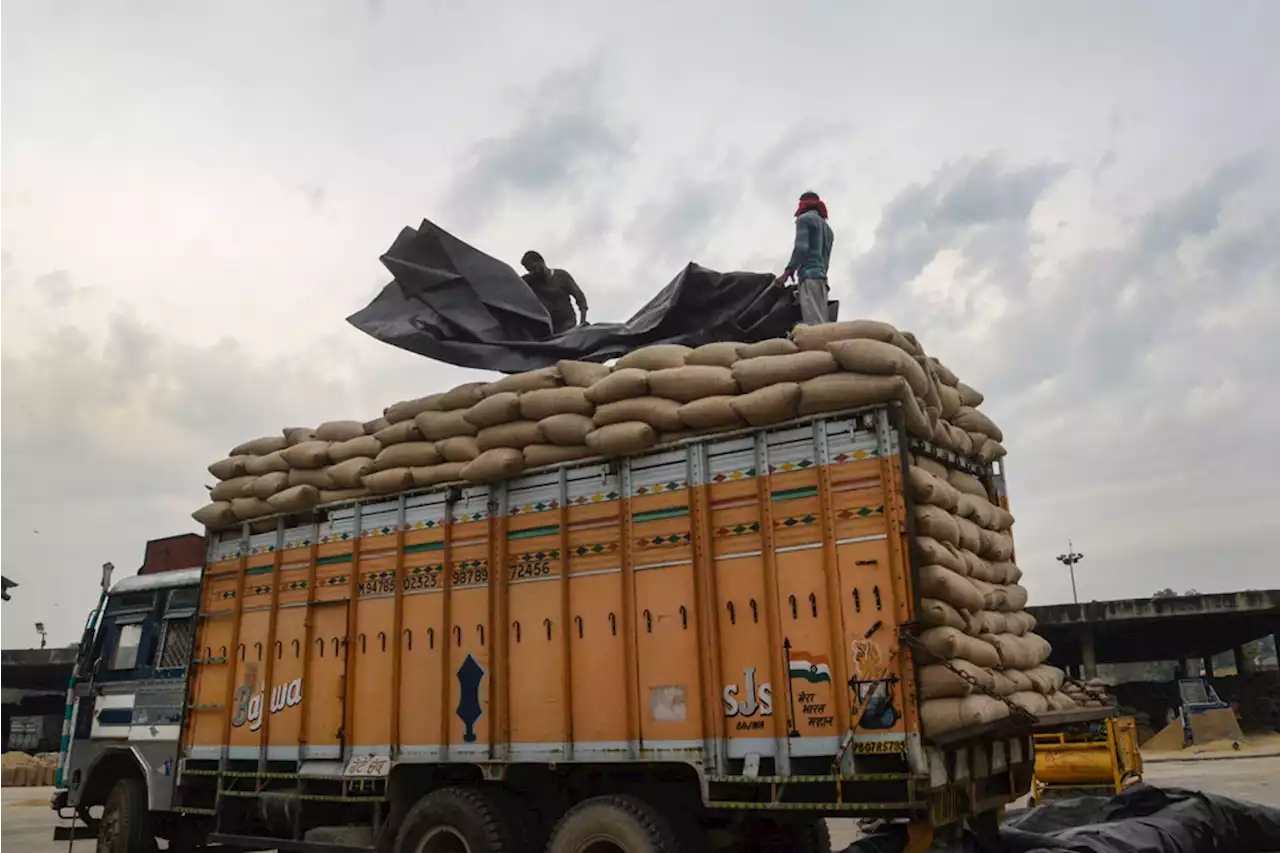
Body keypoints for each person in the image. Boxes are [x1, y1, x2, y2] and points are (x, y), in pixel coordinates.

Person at [775, 191, 835, 326]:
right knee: (821, 320)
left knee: (813, 323)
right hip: (821, 280)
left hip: (809, 277)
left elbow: (801, 248)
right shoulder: (828, 230)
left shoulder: (804, 220)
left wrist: (787, 272)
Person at [521, 250, 589, 335]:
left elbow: (580, 298)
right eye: (529, 270)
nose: (532, 272)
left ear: (541, 261)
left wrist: (582, 323)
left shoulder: (562, 276)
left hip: (568, 325)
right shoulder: (531, 282)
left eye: (534, 268)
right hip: (548, 328)